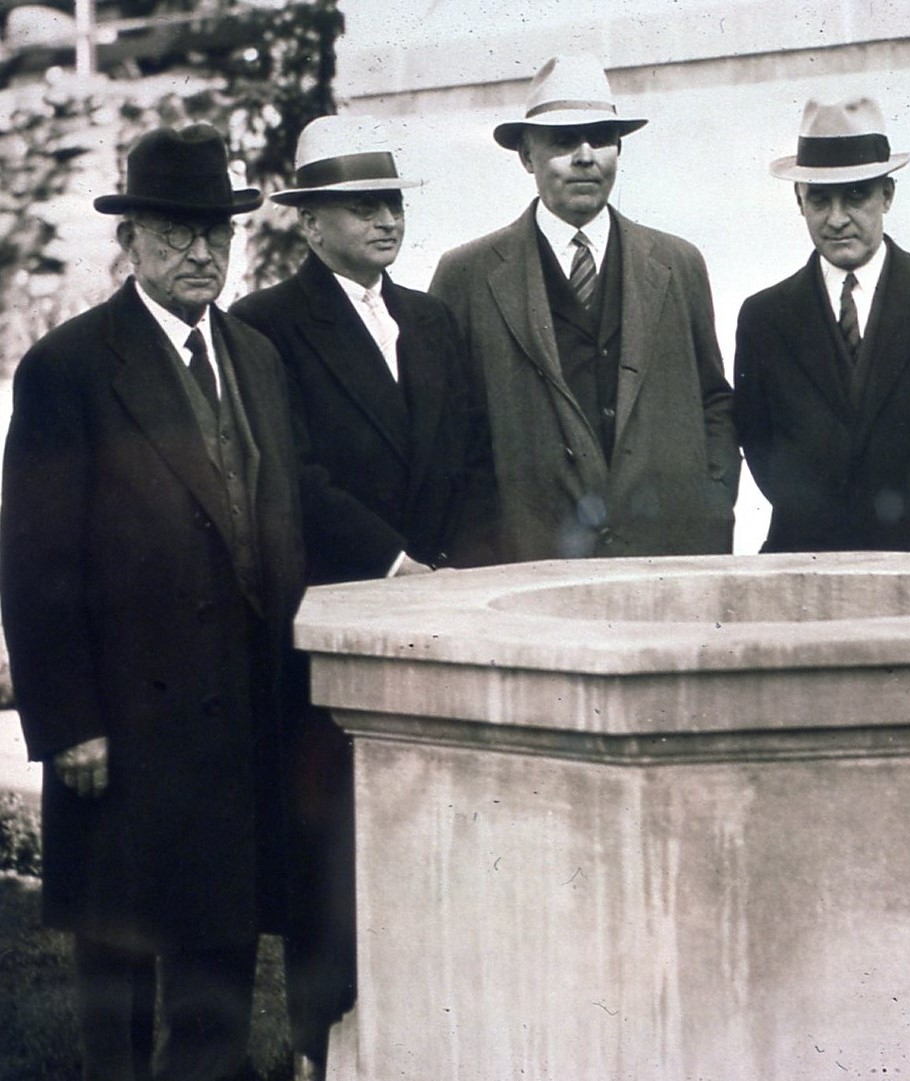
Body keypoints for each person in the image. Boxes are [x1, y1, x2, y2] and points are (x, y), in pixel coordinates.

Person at [0, 124, 307, 1081]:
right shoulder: (69, 368)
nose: (201, 252)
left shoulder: (255, 357)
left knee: (217, 956)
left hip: (238, 711)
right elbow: (34, 559)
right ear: (129, 241)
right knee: (118, 965)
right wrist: (68, 724)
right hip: (122, 723)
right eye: (175, 233)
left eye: (217, 231)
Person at [229, 114, 491, 1080]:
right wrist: (393, 564)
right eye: (360, 206)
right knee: (330, 855)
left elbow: (467, 459)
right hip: (336, 628)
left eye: (392, 202)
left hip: (437, 616)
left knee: (428, 838)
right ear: (309, 224)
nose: (385, 219)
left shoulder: (430, 319)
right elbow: (289, 475)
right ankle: (319, 1052)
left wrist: (453, 567)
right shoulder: (264, 327)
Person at [429, 54, 738, 561]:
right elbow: (449, 438)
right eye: (564, 140)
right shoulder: (467, 276)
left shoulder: (677, 264)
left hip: (664, 558)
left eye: (601, 138)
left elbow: (714, 401)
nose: (586, 156)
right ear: (526, 156)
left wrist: (713, 502)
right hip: (529, 567)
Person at [734, 96, 910, 552]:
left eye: (856, 195)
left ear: (887, 195)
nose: (838, 218)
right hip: (813, 563)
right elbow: (762, 451)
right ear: (799, 201)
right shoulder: (764, 318)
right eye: (820, 198)